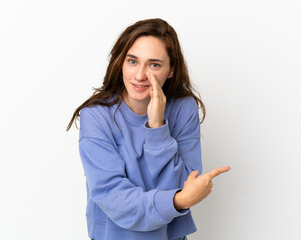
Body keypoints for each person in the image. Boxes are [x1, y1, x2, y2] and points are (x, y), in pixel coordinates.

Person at [67, 18, 231, 240]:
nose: (140, 75)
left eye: (154, 64)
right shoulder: (96, 115)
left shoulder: (183, 108)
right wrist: (178, 201)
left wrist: (157, 127)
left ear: (171, 70)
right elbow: (113, 198)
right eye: (132, 61)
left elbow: (184, 184)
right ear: (120, 62)